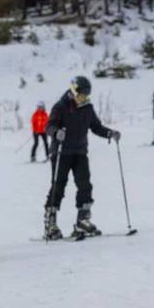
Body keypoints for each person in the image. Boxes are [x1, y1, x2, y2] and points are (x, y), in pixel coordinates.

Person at [43, 76, 121, 240]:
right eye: (81, 95)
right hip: (61, 152)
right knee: (59, 185)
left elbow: (96, 127)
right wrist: (56, 132)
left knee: (85, 184)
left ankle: (83, 220)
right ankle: (50, 222)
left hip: (79, 152)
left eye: (86, 95)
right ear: (73, 91)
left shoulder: (88, 108)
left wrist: (109, 133)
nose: (83, 98)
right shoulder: (60, 106)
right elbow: (49, 126)